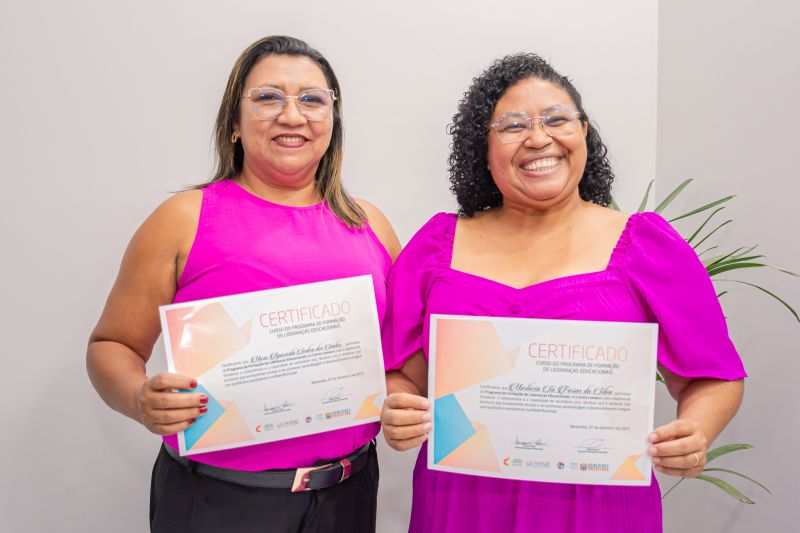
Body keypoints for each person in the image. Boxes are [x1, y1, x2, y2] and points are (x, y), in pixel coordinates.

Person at [380, 53, 745, 533]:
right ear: (482, 149)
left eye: (556, 120)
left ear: (584, 133)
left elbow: (714, 377)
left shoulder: (646, 244)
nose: (538, 138)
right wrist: (399, 406)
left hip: (599, 510)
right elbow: (404, 374)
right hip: (462, 504)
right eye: (513, 126)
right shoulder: (435, 248)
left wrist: (696, 431)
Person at [86, 35, 400, 533]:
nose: (292, 116)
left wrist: (402, 398)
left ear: (333, 121)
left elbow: (402, 353)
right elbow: (112, 345)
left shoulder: (371, 225)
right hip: (219, 502)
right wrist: (140, 398)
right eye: (268, 97)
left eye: (312, 99)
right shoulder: (183, 218)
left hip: (348, 496)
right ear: (233, 123)